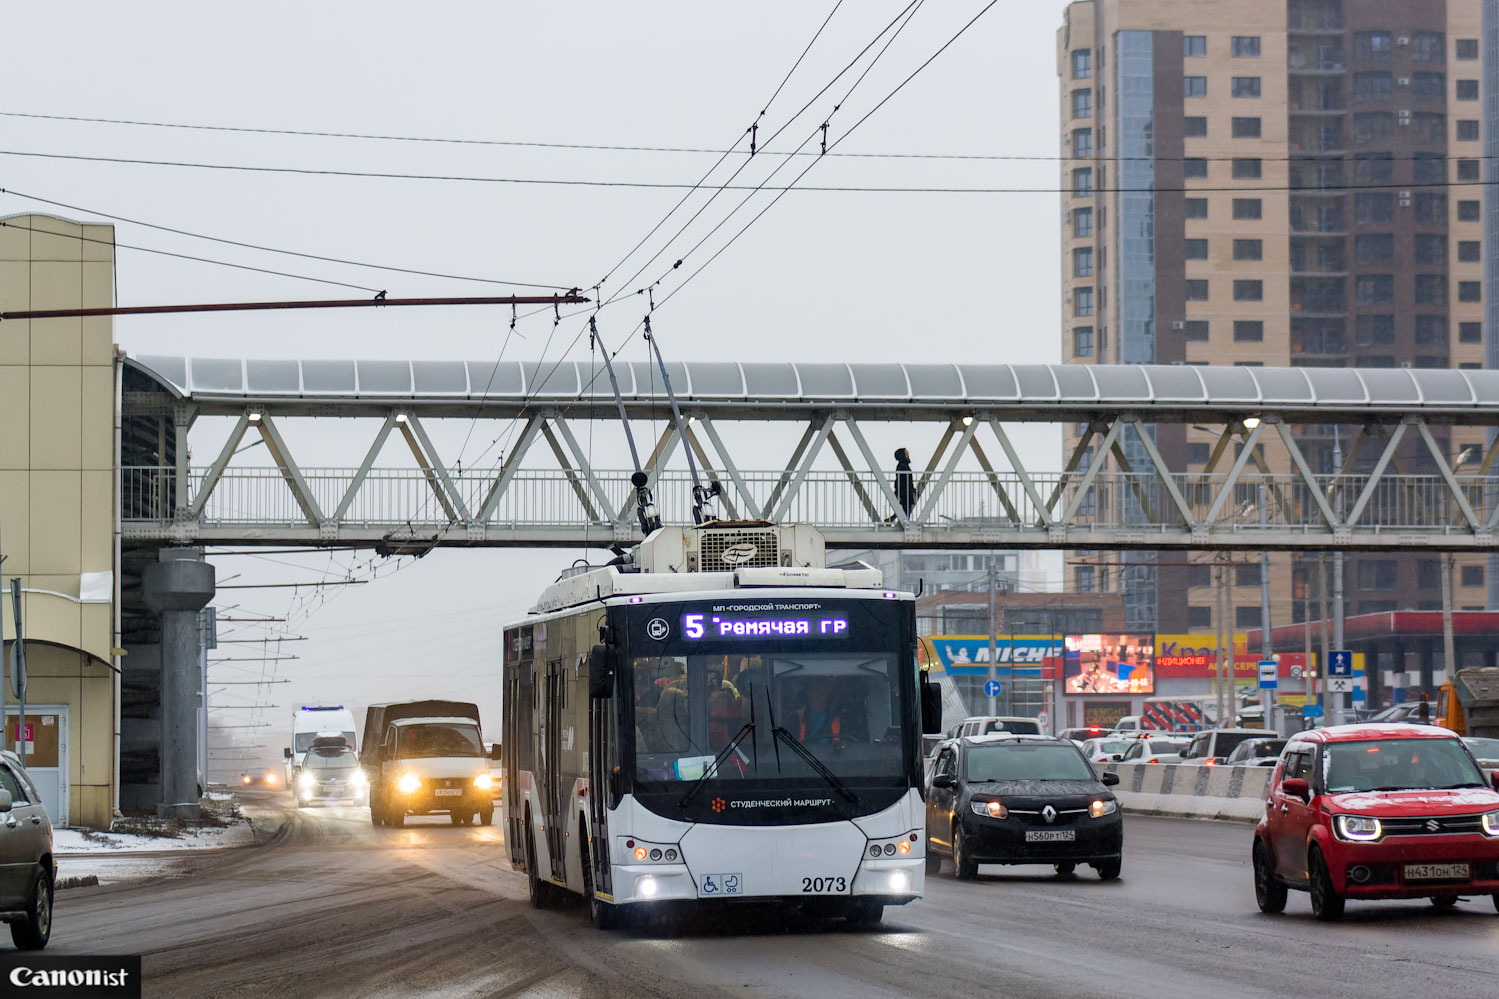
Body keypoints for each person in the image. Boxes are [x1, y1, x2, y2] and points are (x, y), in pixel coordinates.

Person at [894, 448, 915, 517]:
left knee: (904, 511)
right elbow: (903, 481)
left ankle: (892, 518)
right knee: (905, 512)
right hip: (905, 493)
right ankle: (893, 518)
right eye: (907, 454)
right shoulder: (902, 467)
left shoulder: (902, 466)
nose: (908, 456)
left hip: (905, 493)